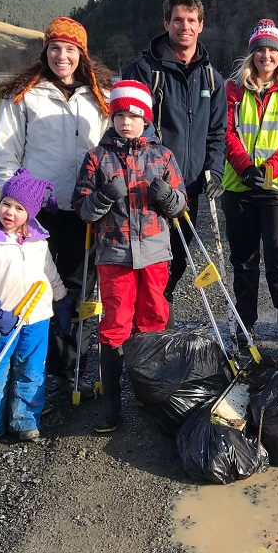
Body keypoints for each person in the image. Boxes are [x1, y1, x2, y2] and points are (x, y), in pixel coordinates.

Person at [0, 16, 112, 394]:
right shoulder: (25, 94)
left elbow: (110, 149)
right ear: (45, 51)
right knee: (35, 284)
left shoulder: (99, 96)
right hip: (37, 209)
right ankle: (31, 366)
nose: (63, 56)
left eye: (71, 49)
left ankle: (70, 365)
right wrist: (15, 198)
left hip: (83, 208)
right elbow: (6, 150)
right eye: (56, 48)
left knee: (78, 286)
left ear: (83, 54)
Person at [72, 80, 188, 433]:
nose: (127, 122)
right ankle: (112, 405)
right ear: (112, 117)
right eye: (120, 114)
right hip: (114, 254)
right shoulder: (96, 157)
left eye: (134, 115)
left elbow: (181, 205)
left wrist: (166, 195)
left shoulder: (163, 156)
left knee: (153, 316)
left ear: (146, 119)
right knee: (115, 323)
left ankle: (149, 393)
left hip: (154, 253)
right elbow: (82, 210)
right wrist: (105, 195)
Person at [120, 0, 227, 310]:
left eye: (191, 20)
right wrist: (156, 175)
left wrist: (215, 170)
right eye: (178, 20)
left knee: (178, 259)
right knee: (145, 260)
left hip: (188, 189)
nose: (185, 26)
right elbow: (130, 129)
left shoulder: (212, 78)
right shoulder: (143, 72)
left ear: (201, 26)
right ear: (166, 23)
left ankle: (158, 311)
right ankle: (141, 326)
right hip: (148, 189)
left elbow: (216, 132)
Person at [0, 169, 68, 445]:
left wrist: (61, 297)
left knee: (31, 369)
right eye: (6, 203)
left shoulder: (38, 241)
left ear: (30, 213)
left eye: (19, 208)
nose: (10, 212)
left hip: (36, 318)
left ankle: (25, 419)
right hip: (0, 320)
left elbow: (50, 272)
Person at [221, 19, 278, 347]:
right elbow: (227, 132)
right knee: (243, 263)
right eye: (260, 49)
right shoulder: (232, 90)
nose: (266, 56)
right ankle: (245, 332)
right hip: (239, 185)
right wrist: (244, 166)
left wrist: (270, 167)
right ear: (251, 54)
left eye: (272, 50)